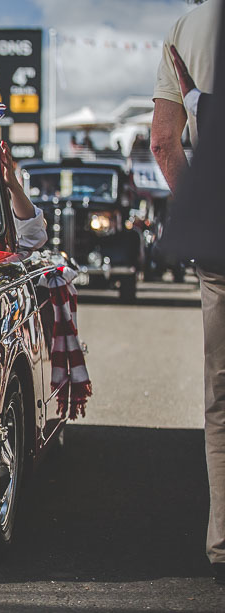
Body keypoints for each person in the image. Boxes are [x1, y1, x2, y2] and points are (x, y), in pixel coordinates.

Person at [151, 0, 225, 585]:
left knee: (220, 396)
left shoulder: (187, 28)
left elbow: (163, 142)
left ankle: (222, 541)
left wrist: (192, 200)